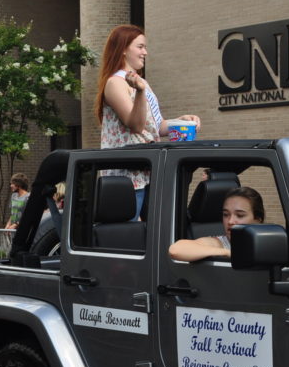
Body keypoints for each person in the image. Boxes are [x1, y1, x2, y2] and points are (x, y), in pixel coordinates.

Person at [96, 24, 201, 218]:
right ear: (123, 49)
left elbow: (155, 127)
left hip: (148, 172)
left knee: (151, 232)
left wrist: (180, 121)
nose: (146, 52)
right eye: (140, 46)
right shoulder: (115, 83)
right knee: (128, 233)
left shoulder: (141, 83)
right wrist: (141, 91)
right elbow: (135, 125)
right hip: (126, 178)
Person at [169, 186, 264, 262]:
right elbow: (176, 250)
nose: (230, 221)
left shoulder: (266, 243)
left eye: (239, 215)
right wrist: (227, 253)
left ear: (257, 220)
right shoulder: (220, 243)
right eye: (225, 215)